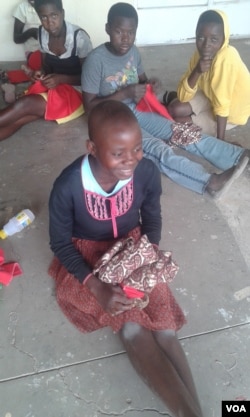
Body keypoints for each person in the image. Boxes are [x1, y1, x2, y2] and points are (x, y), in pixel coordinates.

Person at [48, 100, 204, 417]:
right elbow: (60, 244)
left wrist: (146, 260)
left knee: (163, 325)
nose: (129, 161)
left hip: (133, 247)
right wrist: (97, 287)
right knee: (131, 326)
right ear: (91, 147)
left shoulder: (145, 171)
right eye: (117, 153)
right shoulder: (68, 186)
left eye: (136, 149)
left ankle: (194, 412)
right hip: (90, 260)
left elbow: (153, 220)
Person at [81, 2, 249, 198]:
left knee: (183, 132)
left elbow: (141, 79)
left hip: (136, 109)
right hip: (110, 121)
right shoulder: (95, 60)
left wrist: (150, 83)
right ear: (108, 29)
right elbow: (89, 108)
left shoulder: (132, 51)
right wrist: (125, 93)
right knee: (156, 149)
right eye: (119, 32)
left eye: (131, 32)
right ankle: (209, 182)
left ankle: (236, 157)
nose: (125, 39)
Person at [0, 0, 92, 141]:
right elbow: (46, 67)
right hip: (54, 86)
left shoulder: (79, 37)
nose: (49, 22)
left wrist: (61, 79)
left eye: (54, 16)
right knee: (21, 118)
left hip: (76, 92)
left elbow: (89, 79)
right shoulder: (42, 33)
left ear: (62, 14)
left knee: (24, 104)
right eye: (44, 17)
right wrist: (40, 74)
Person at [167, 10, 250, 140]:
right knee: (174, 109)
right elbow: (183, 96)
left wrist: (220, 141)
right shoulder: (198, 55)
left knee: (177, 123)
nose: (206, 45)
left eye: (214, 39)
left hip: (231, 111)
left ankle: (173, 98)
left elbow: (223, 104)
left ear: (224, 39)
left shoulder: (226, 59)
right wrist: (197, 71)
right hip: (210, 95)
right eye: (201, 38)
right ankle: (172, 97)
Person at [1, 0, 42, 104]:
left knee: (46, 71)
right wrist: (31, 32)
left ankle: (8, 75)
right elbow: (17, 39)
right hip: (33, 52)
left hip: (49, 51)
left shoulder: (50, 4)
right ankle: (23, 95)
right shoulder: (22, 8)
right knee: (42, 74)